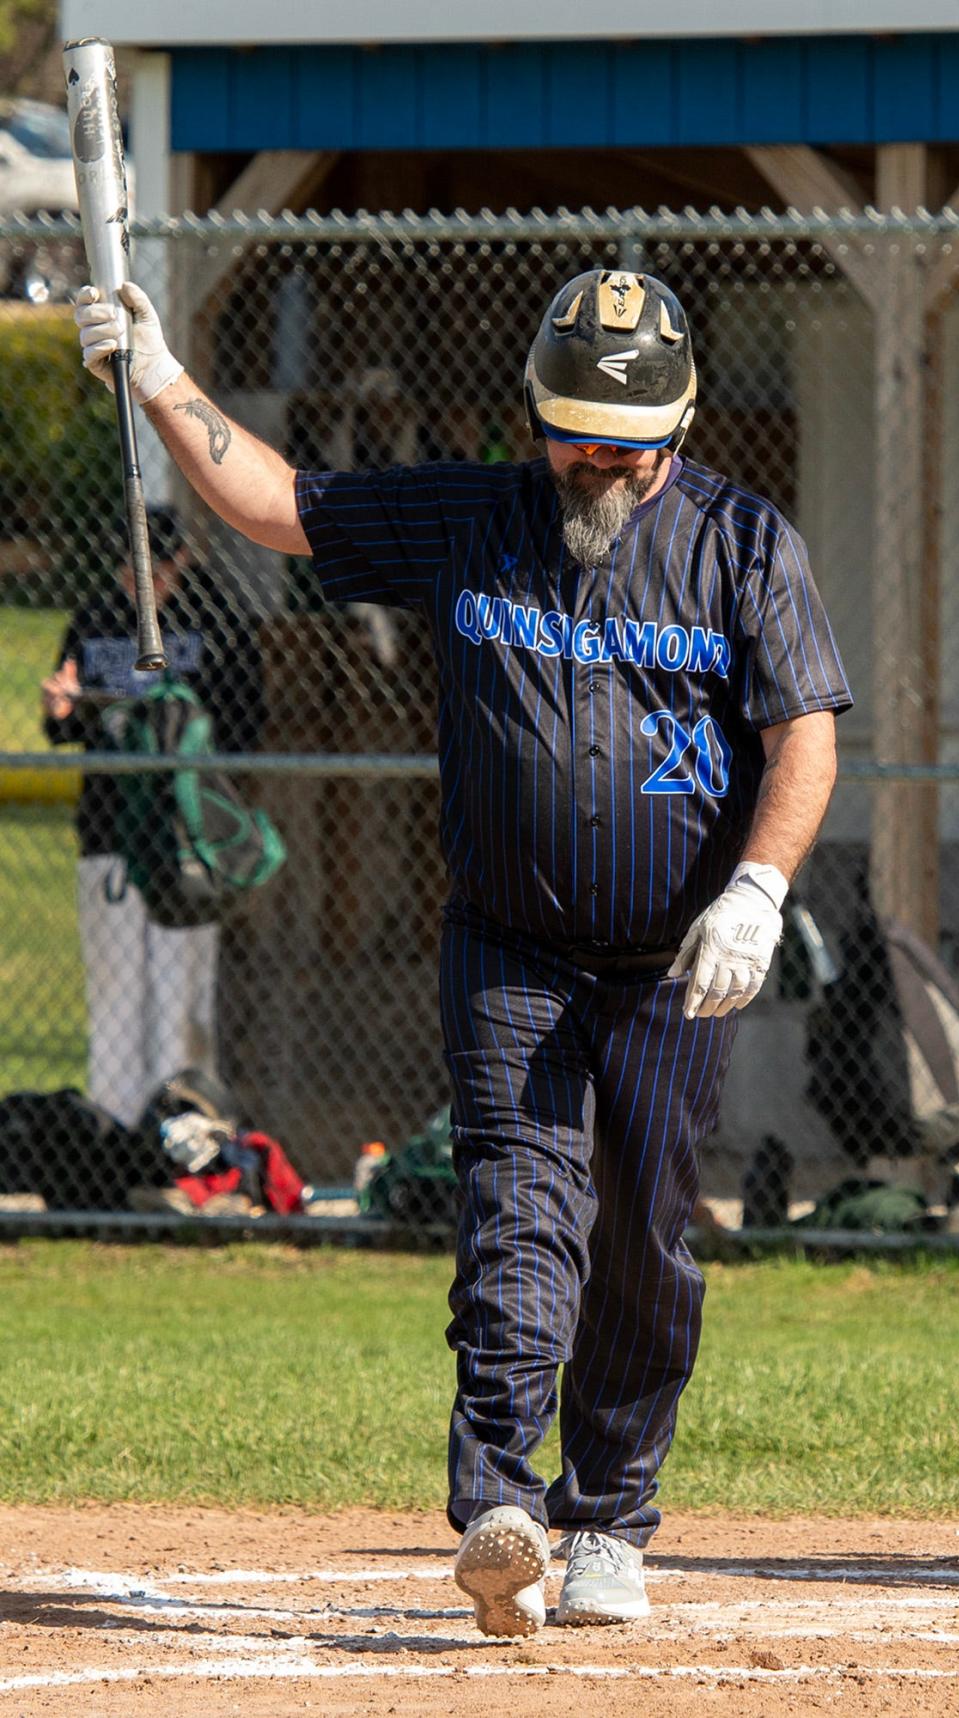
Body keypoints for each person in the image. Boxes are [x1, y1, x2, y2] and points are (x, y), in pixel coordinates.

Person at [74, 268, 852, 1633]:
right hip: (508, 941)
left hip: (677, 962)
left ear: (674, 427)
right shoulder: (472, 517)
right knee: (517, 1199)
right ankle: (499, 1497)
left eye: (625, 441)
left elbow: (804, 734)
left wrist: (759, 889)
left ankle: (609, 1514)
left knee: (644, 1241)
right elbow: (279, 502)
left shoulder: (742, 542)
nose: (595, 461)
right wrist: (154, 370)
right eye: (571, 433)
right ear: (535, 417)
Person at [41, 507, 266, 1128]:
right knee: (117, 993)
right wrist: (62, 709)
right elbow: (63, 718)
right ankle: (111, 1138)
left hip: (185, 838)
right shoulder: (94, 617)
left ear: (183, 561)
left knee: (182, 996)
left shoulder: (214, 614)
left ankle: (182, 1133)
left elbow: (249, 718)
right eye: (137, 569)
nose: (151, 582)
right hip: (111, 831)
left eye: (164, 567)